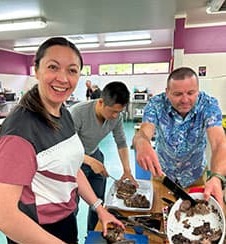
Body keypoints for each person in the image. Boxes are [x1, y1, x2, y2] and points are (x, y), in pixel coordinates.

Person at [0, 37, 124, 244]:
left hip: (65, 220)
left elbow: (71, 168)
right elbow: (6, 218)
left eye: (72, 70)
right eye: (53, 67)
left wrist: (99, 208)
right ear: (36, 70)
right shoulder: (20, 131)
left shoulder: (63, 114)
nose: (63, 78)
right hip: (35, 230)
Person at [133, 67, 226, 207]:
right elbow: (144, 132)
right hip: (162, 176)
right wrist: (141, 142)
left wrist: (217, 177)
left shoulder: (208, 105)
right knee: (159, 215)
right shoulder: (156, 104)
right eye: (177, 94)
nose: (185, 99)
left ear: (198, 90)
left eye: (191, 93)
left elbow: (219, 142)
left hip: (196, 176)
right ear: (167, 92)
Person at [69, 81, 138, 231]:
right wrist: (89, 161)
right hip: (73, 161)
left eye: (119, 112)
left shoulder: (116, 117)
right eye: (113, 111)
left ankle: (93, 233)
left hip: (95, 155)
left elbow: (121, 142)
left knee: (98, 202)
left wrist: (127, 170)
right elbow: (66, 148)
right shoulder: (77, 113)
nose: (115, 116)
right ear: (101, 102)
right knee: (71, 206)